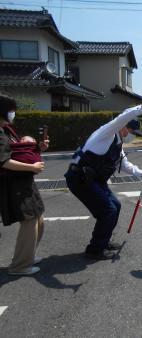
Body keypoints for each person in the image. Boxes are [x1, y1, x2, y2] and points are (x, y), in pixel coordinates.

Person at [65, 88, 142, 260]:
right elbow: (122, 117)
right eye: (132, 132)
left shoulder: (118, 143)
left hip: (93, 179)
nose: (132, 136)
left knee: (115, 206)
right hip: (80, 178)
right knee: (108, 210)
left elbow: (123, 164)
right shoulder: (107, 133)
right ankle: (95, 249)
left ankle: (104, 241)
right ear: (124, 127)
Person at [0, 94, 49, 275]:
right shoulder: (0, 132)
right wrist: (32, 166)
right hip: (14, 185)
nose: (13, 113)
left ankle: (27, 256)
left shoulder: (7, 130)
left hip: (24, 181)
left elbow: (19, 151)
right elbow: (4, 162)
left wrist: (39, 148)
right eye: (11, 110)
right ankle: (20, 265)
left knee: (37, 217)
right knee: (29, 220)